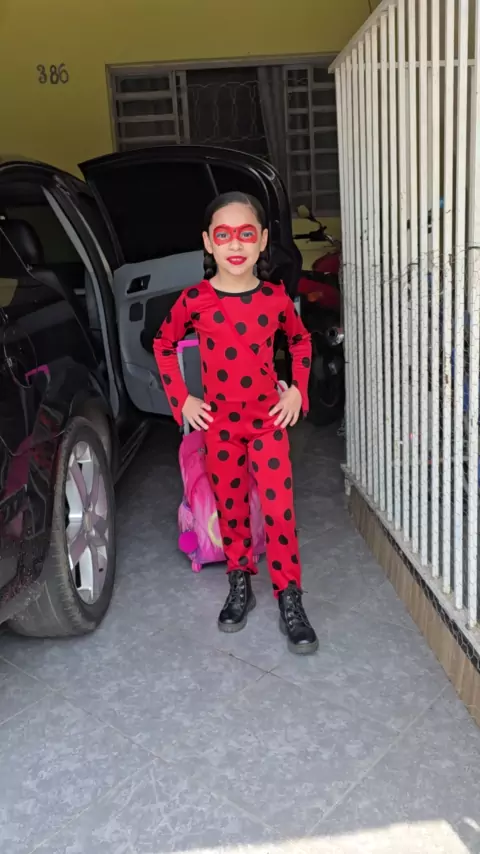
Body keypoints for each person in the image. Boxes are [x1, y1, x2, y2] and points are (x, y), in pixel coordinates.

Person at [154, 191, 318, 655]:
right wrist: (182, 400)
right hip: (220, 427)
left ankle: (290, 596)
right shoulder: (195, 300)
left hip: (267, 423)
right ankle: (239, 581)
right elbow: (163, 344)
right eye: (223, 235)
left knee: (279, 510)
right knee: (231, 508)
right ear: (208, 242)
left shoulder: (275, 299)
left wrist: (297, 390)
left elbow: (301, 342)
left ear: (262, 240)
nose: (235, 244)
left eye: (246, 234)